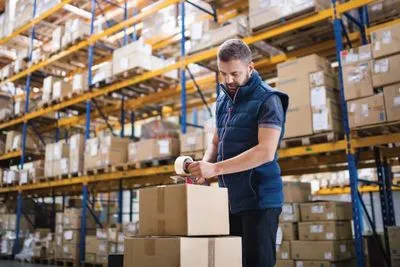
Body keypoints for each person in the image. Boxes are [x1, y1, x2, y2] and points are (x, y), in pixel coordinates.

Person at [188, 39, 289, 267]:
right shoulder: (224, 100)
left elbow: (265, 152)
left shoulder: (269, 100)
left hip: (260, 201)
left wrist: (215, 169)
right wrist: (203, 166)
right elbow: (216, 141)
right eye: (223, 74)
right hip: (231, 200)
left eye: (235, 73)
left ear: (250, 68)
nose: (228, 80)